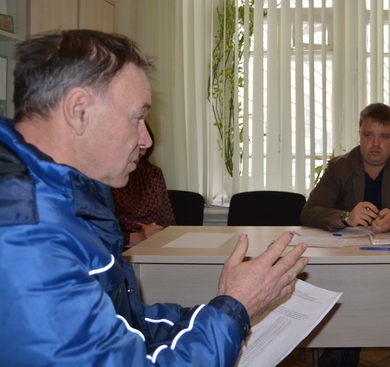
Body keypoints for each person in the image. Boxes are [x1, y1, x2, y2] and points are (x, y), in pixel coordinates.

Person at [0, 29, 309, 365]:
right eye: (137, 117)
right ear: (79, 111)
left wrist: (223, 309)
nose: (146, 139)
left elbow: (126, 326)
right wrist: (237, 307)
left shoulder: (61, 202)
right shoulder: (27, 237)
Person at [301, 102, 390, 366]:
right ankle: (344, 348)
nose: (375, 144)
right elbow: (309, 211)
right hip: (346, 260)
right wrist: (345, 217)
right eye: (368, 135)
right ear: (359, 135)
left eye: (384, 137)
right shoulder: (340, 167)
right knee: (352, 286)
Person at [112, 120, 175, 246]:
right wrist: (139, 236)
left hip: (156, 244)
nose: (145, 143)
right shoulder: (104, 177)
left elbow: (168, 219)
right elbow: (99, 234)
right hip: (121, 248)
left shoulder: (153, 173)